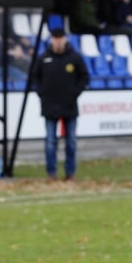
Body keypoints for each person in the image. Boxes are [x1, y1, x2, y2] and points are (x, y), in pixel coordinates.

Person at [31, 26, 90, 180]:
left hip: (69, 106)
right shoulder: (44, 58)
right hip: (50, 106)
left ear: (65, 39)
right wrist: (41, 93)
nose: (58, 41)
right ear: (51, 40)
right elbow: (35, 77)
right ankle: (51, 172)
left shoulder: (74, 58)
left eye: (60, 38)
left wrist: (74, 93)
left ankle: (70, 173)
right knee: (50, 142)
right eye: (55, 38)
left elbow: (84, 78)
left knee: (71, 142)